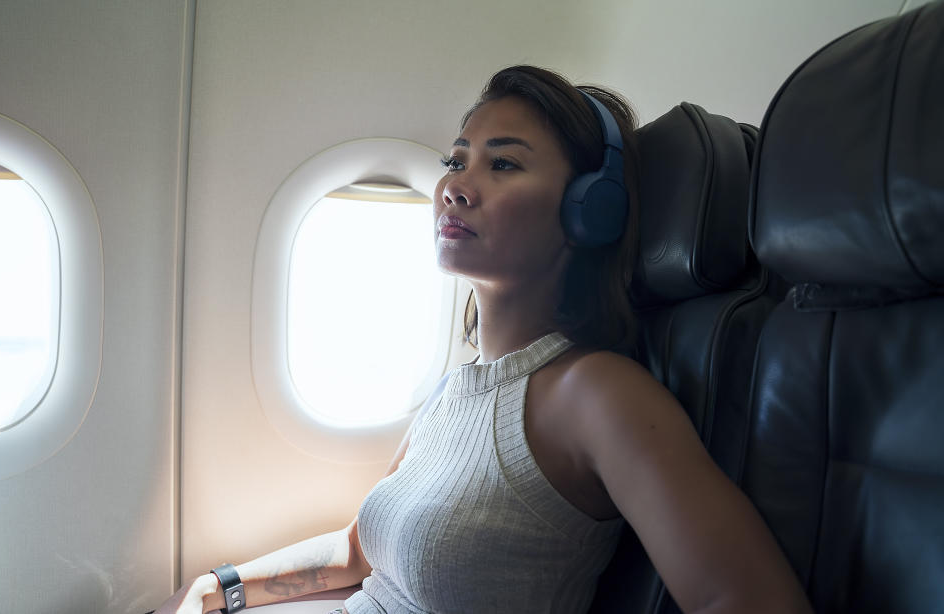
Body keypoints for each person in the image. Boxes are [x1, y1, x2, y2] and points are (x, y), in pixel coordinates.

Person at [156, 65, 813, 614]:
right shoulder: (455, 390)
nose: (454, 189)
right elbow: (360, 551)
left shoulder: (594, 393)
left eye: (502, 163)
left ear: (590, 209)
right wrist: (220, 588)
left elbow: (745, 601)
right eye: (454, 160)